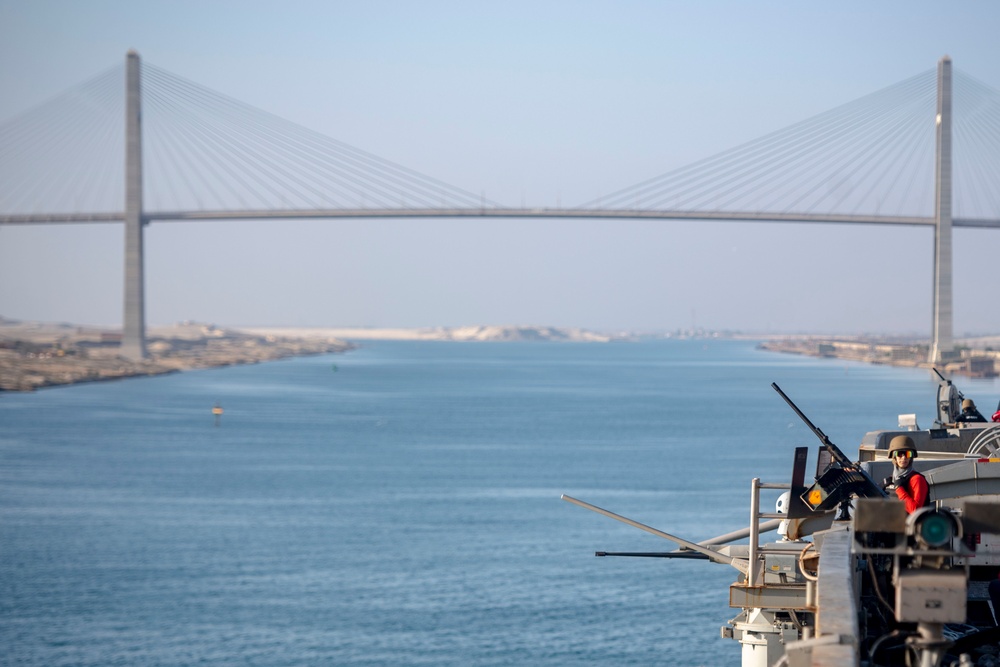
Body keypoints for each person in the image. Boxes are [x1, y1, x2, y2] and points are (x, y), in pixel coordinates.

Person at [884, 435, 930, 513]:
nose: (904, 458)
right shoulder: (895, 479)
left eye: (908, 454)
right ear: (894, 457)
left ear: (911, 457)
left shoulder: (917, 479)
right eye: (899, 454)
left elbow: (916, 511)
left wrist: (899, 489)